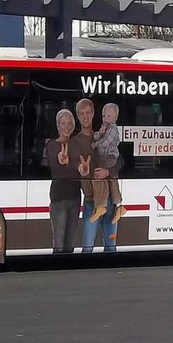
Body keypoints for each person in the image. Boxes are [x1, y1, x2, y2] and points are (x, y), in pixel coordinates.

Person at [72, 98, 118, 253]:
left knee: (111, 248)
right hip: (91, 200)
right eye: (81, 113)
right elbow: (73, 164)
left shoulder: (104, 134)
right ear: (77, 116)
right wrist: (81, 169)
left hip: (110, 200)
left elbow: (121, 161)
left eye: (88, 112)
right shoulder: (74, 142)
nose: (85, 116)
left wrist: (108, 172)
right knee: (87, 248)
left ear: (93, 114)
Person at [44, 108, 82, 253]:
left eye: (69, 123)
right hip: (58, 198)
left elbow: (81, 168)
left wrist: (80, 168)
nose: (66, 126)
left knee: (69, 244)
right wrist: (67, 163)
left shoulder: (76, 145)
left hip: (75, 197)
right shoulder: (52, 145)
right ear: (58, 125)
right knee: (59, 243)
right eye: (63, 123)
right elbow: (57, 170)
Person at [89, 102, 126, 223]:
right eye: (104, 116)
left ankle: (101, 206)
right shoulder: (106, 129)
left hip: (109, 157)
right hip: (107, 157)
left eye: (108, 116)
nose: (105, 118)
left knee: (98, 176)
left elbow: (105, 142)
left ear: (115, 118)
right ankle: (119, 206)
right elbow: (96, 136)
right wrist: (100, 133)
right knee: (112, 180)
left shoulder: (113, 129)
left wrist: (95, 144)